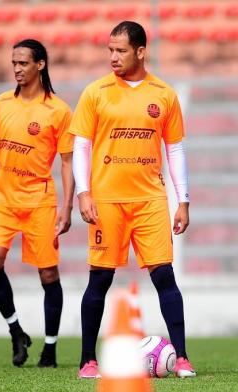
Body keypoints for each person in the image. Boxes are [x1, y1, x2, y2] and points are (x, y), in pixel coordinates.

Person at [70, 21, 196, 379]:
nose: (113, 57)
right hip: (107, 200)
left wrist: (182, 200)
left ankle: (183, 358)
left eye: (120, 50)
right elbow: (81, 145)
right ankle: (87, 360)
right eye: (110, 50)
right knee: (100, 279)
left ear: (141, 51)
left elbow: (175, 149)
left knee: (164, 276)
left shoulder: (163, 94)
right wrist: (84, 192)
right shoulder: (95, 92)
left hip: (150, 200)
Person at [0, 39, 74, 368]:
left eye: (23, 63)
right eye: (14, 63)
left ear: (40, 64)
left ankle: (50, 349)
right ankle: (16, 331)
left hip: (39, 201)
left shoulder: (59, 110)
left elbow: (67, 163)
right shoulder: (1, 103)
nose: (17, 69)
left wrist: (66, 208)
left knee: (49, 274)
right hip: (2, 198)